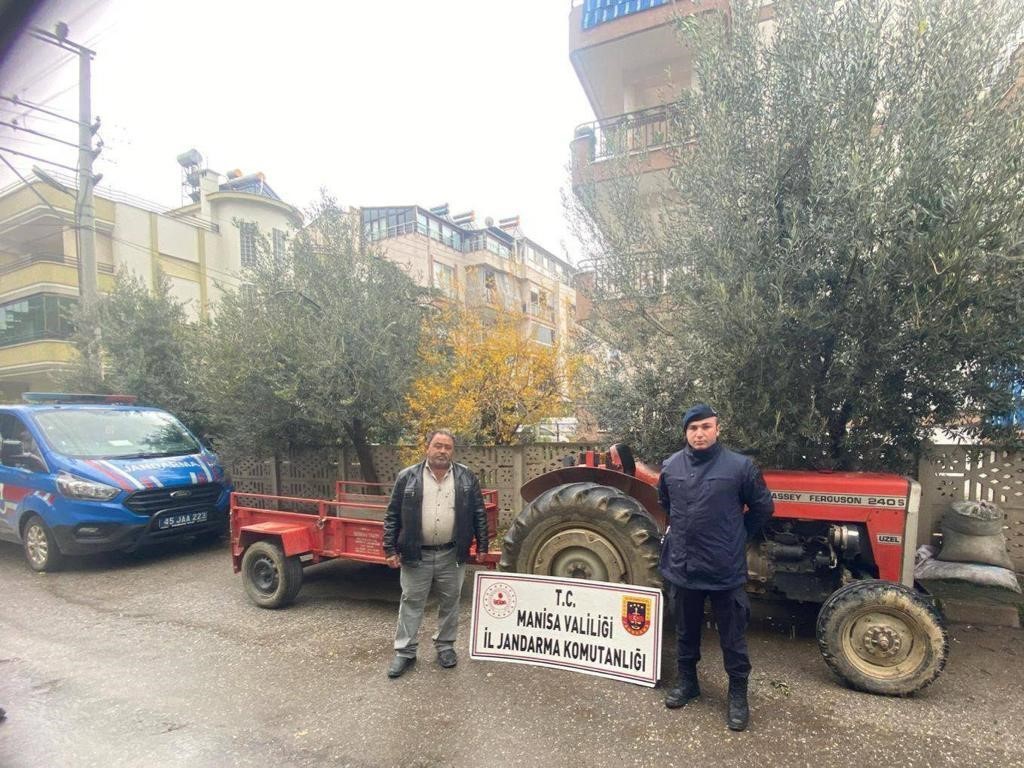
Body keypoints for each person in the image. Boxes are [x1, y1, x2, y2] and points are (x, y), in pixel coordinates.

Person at [658, 404, 774, 731]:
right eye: (693, 428)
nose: (699, 433)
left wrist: (739, 535)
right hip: (682, 566)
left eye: (706, 426)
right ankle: (687, 683)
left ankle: (737, 694)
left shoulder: (740, 467)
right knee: (685, 631)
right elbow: (667, 504)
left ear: (717, 429)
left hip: (724, 568)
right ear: (685, 432)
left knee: (733, 637)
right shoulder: (671, 467)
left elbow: (764, 507)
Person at [382, 429, 489, 678]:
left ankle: (445, 647)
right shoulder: (407, 477)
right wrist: (389, 548)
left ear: (453, 451)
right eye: (438, 446)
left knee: (450, 603)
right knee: (411, 602)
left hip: (451, 554)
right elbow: (392, 515)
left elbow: (478, 513)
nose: (442, 451)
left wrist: (482, 546)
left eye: (448, 447)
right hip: (414, 554)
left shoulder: (466, 477)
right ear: (427, 447)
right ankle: (405, 652)